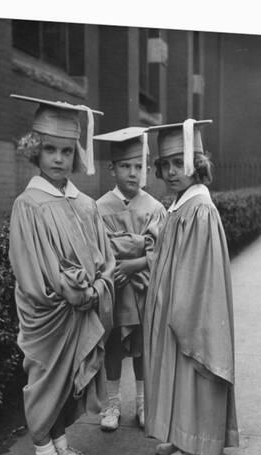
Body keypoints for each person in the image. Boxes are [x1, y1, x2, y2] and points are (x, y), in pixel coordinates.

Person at [8, 95, 115, 455]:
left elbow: (105, 258)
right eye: (50, 149)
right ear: (35, 151)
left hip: (80, 310)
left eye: (66, 151)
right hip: (50, 314)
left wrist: (96, 285)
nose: (58, 158)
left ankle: (60, 448)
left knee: (68, 382)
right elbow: (32, 272)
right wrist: (77, 293)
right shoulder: (29, 205)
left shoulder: (83, 203)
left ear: (76, 154)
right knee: (49, 381)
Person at [143, 119, 239, 455]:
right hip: (176, 306)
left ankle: (196, 448)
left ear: (197, 163)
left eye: (179, 162)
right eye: (165, 164)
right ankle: (183, 434)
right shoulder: (183, 205)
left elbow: (197, 274)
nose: (170, 172)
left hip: (191, 311)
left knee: (192, 364)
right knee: (178, 371)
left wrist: (176, 311)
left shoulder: (199, 210)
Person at [94, 127, 166, 431]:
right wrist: (136, 246)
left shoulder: (155, 208)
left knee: (141, 347)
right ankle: (111, 404)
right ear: (112, 168)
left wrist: (135, 260)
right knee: (112, 346)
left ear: (147, 169)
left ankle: (142, 402)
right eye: (125, 166)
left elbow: (160, 252)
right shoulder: (98, 208)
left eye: (138, 167)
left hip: (142, 289)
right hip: (114, 290)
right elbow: (98, 251)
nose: (132, 173)